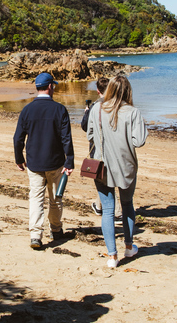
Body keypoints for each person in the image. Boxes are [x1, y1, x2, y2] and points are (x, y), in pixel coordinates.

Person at [86, 75, 147, 268]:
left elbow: (89, 134)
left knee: (108, 210)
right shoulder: (133, 112)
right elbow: (139, 141)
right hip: (126, 165)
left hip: (101, 166)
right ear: (128, 91)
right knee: (127, 205)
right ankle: (128, 247)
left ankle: (112, 256)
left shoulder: (96, 108)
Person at [13, 72, 75, 249]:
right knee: (55, 198)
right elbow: (66, 139)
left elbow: (18, 138)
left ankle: (35, 235)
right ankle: (56, 229)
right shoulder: (60, 109)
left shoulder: (27, 110)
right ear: (50, 87)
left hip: (34, 162)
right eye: (53, 86)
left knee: (36, 197)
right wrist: (69, 161)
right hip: (55, 162)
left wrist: (19, 158)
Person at [79, 77, 118, 217]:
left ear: (97, 90)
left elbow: (85, 127)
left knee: (102, 177)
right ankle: (100, 205)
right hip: (112, 148)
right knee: (105, 177)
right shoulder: (115, 105)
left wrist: (86, 113)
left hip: (98, 148)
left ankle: (116, 211)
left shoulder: (96, 106)